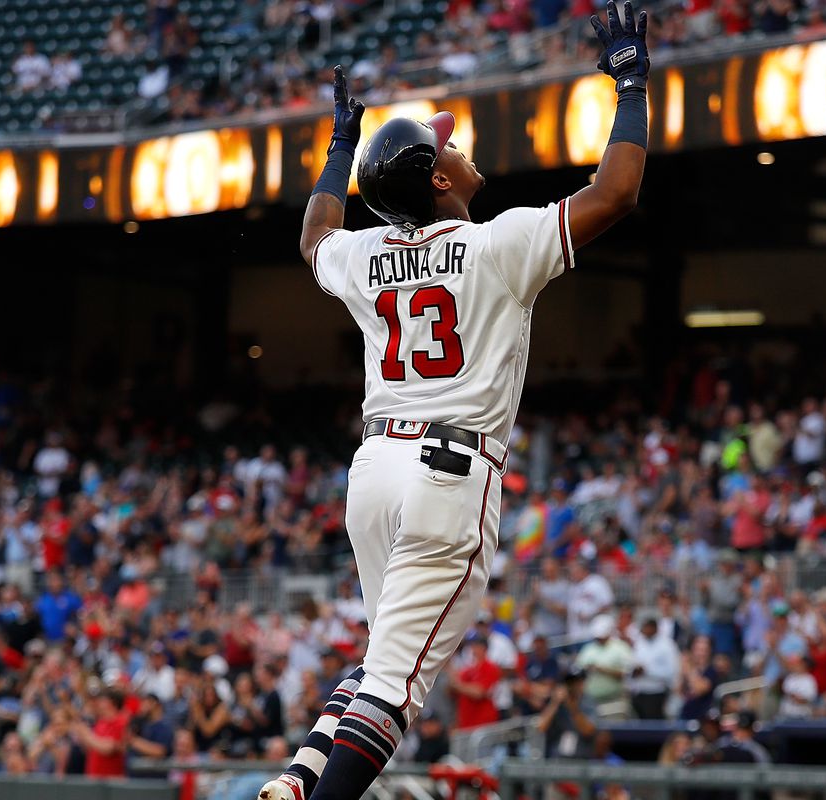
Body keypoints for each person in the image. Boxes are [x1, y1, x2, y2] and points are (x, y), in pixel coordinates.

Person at [259, 3, 650, 800]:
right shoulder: (497, 243)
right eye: (450, 147)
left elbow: (313, 238)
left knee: (380, 659)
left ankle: (299, 779)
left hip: (375, 469)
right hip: (449, 468)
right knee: (398, 683)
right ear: (439, 179)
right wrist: (632, 85)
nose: (461, 148)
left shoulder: (367, 257)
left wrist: (339, 151)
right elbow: (615, 195)